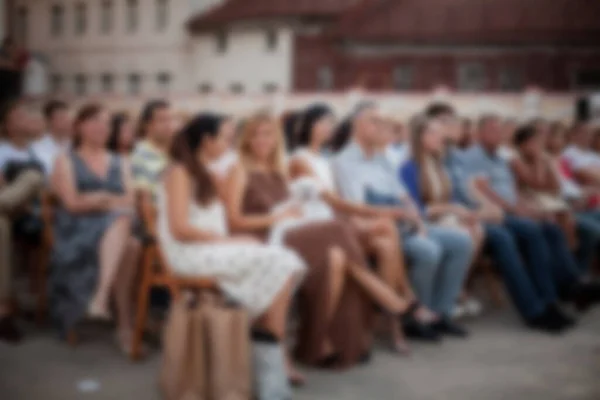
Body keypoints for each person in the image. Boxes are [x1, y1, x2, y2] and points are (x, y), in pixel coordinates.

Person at [226, 112, 416, 370]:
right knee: (338, 228)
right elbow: (234, 220)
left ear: (276, 138)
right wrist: (278, 216)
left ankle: (319, 343)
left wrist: (293, 209)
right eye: (256, 134)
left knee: (336, 257)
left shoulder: (279, 169)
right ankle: (379, 290)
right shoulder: (239, 169)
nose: (262, 140)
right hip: (267, 238)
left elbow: (316, 201)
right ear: (246, 139)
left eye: (268, 134)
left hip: (291, 230)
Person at [157, 112, 306, 385]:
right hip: (188, 253)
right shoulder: (179, 172)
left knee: (287, 262)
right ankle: (268, 350)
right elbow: (179, 228)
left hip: (208, 246)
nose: (231, 144)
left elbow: (225, 217)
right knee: (283, 263)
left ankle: (266, 340)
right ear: (206, 140)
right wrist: (229, 240)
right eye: (226, 138)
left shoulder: (207, 172)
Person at [290, 104, 437, 352]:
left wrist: (396, 214)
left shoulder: (325, 159)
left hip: (336, 222)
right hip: (316, 226)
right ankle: (401, 309)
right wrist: (387, 212)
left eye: (331, 122)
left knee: (386, 242)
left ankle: (396, 316)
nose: (329, 127)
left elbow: (341, 206)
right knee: (386, 228)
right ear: (308, 126)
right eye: (323, 122)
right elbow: (337, 202)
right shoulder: (300, 159)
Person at [428, 104, 578, 332]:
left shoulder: (458, 157)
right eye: (446, 123)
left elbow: (478, 189)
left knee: (535, 229)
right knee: (506, 238)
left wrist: (505, 208)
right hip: (467, 218)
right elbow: (470, 194)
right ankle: (534, 310)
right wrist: (489, 209)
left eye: (453, 122)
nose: (454, 126)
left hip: (484, 214)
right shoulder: (454, 158)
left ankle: (550, 300)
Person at [332, 103, 474, 338]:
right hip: (381, 229)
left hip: (406, 224)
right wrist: (401, 214)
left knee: (462, 242)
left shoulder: (382, 159)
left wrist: (416, 220)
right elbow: (358, 209)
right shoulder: (344, 162)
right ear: (361, 127)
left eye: (385, 124)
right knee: (428, 250)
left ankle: (441, 313)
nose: (386, 129)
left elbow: (403, 195)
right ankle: (417, 317)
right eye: (378, 123)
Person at [460, 115, 600, 315]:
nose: (498, 133)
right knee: (533, 231)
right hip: (493, 213)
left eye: (499, 130)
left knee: (551, 229)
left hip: (516, 208)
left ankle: (571, 286)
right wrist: (515, 209)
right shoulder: (474, 157)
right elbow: (482, 190)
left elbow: (518, 189)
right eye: (492, 130)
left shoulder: (500, 157)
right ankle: (544, 303)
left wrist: (524, 207)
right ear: (479, 133)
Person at [49, 104, 140, 354]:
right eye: (94, 121)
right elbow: (72, 204)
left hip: (115, 227)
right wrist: (106, 199)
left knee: (128, 237)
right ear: (79, 126)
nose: (101, 127)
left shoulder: (121, 161)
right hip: (77, 230)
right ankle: (123, 324)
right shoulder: (65, 160)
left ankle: (103, 302)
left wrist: (99, 198)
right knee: (128, 239)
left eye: (107, 123)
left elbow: (131, 201)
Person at [400, 116, 485, 317]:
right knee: (463, 235)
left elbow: (451, 197)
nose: (441, 137)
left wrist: (461, 212)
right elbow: (417, 209)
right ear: (421, 137)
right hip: (423, 222)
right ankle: (449, 297)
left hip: (443, 216)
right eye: (435, 133)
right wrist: (453, 209)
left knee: (475, 229)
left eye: (441, 132)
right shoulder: (409, 167)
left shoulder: (438, 164)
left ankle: (448, 299)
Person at [0, 100, 45, 342]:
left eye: (24, 116)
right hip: (10, 210)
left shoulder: (37, 150)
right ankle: (3, 312)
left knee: (33, 176)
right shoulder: (1, 150)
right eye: (16, 116)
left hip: (34, 211)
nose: (22, 120)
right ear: (6, 125)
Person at [131, 100, 174, 201]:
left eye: (170, 119)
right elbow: (144, 199)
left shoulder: (177, 152)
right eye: (162, 120)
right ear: (147, 125)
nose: (169, 125)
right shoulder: (139, 155)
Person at [30, 100, 72, 178]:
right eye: (61, 118)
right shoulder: (37, 148)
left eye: (67, 117)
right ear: (49, 121)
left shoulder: (75, 144)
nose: (67, 121)